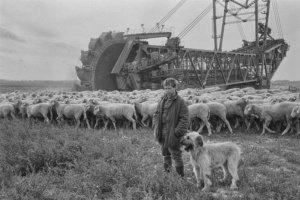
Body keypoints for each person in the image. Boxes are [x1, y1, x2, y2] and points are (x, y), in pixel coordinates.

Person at [153, 78, 189, 177]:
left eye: (169, 88)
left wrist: (177, 132)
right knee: (165, 154)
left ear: (174, 88)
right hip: (162, 132)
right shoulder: (162, 100)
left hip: (173, 133)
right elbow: (156, 114)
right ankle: (167, 174)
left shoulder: (180, 102)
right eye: (165, 88)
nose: (166, 90)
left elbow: (185, 119)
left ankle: (180, 177)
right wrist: (156, 126)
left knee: (176, 155)